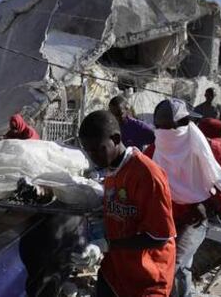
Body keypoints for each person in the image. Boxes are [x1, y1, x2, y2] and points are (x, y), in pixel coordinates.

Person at [72, 110, 176, 296]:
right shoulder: (112, 170)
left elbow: (159, 237)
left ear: (116, 138)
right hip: (117, 270)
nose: (93, 157)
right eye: (88, 151)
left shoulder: (147, 175)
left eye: (98, 149)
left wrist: (107, 245)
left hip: (147, 276)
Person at [144, 99, 221, 297]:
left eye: (168, 127)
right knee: (182, 268)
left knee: (172, 265)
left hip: (194, 222)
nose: (164, 132)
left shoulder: (205, 148)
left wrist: (209, 203)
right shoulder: (155, 150)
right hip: (167, 222)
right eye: (160, 127)